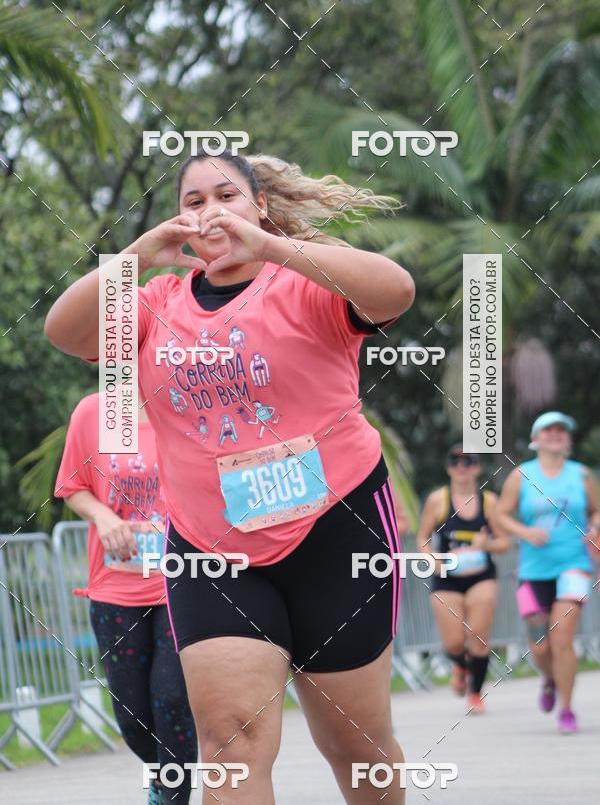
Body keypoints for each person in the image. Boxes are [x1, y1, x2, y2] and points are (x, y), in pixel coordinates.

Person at [45, 151, 416, 804]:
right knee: (228, 743)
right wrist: (136, 255)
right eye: (192, 201)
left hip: (338, 530)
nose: (209, 210)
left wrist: (276, 249)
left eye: (226, 195)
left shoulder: (305, 281)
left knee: (355, 746)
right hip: (213, 551)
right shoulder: (157, 303)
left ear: (260, 205)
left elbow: (396, 291)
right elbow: (65, 333)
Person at [54, 392, 197, 804]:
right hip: (116, 584)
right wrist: (105, 518)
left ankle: (173, 795)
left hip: (182, 583)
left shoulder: (187, 404)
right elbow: (74, 486)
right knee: (132, 716)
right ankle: (164, 780)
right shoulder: (95, 412)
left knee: (171, 698)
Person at [497, 411, 600, 733]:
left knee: (563, 639)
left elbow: (597, 510)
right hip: (533, 570)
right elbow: (501, 514)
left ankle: (567, 710)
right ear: (536, 438)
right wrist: (524, 533)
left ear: (567, 439)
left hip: (574, 566)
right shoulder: (521, 476)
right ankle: (550, 679)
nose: (556, 435)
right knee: (540, 647)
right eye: (549, 430)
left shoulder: (581, 475)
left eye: (561, 430)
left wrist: (595, 525)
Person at [417, 446, 509, 713]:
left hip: (481, 576)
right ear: (448, 469)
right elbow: (422, 537)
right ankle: (459, 664)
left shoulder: (489, 502)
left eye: (467, 462)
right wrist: (431, 559)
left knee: (478, 635)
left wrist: (488, 545)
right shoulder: (438, 500)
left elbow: (504, 543)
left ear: (477, 468)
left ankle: (475, 694)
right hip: (447, 578)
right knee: (454, 642)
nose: (461, 467)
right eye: (455, 462)